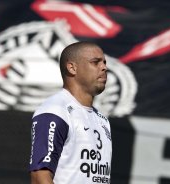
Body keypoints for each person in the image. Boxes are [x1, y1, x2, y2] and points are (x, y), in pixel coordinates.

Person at [29, 41, 112, 184]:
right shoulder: (55, 111)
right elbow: (39, 177)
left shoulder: (102, 120)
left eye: (104, 62)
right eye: (95, 62)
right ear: (72, 68)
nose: (104, 67)